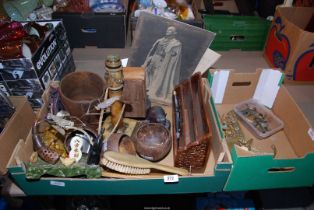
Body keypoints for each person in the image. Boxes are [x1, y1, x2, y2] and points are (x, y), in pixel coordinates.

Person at [142, 26, 182, 104]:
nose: (168, 31)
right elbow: (153, 50)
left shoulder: (176, 44)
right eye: (168, 29)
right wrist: (149, 59)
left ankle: (153, 92)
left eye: (170, 30)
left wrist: (170, 53)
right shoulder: (160, 40)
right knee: (149, 74)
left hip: (163, 63)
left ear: (174, 33)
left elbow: (175, 55)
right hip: (154, 60)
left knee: (158, 76)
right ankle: (147, 89)